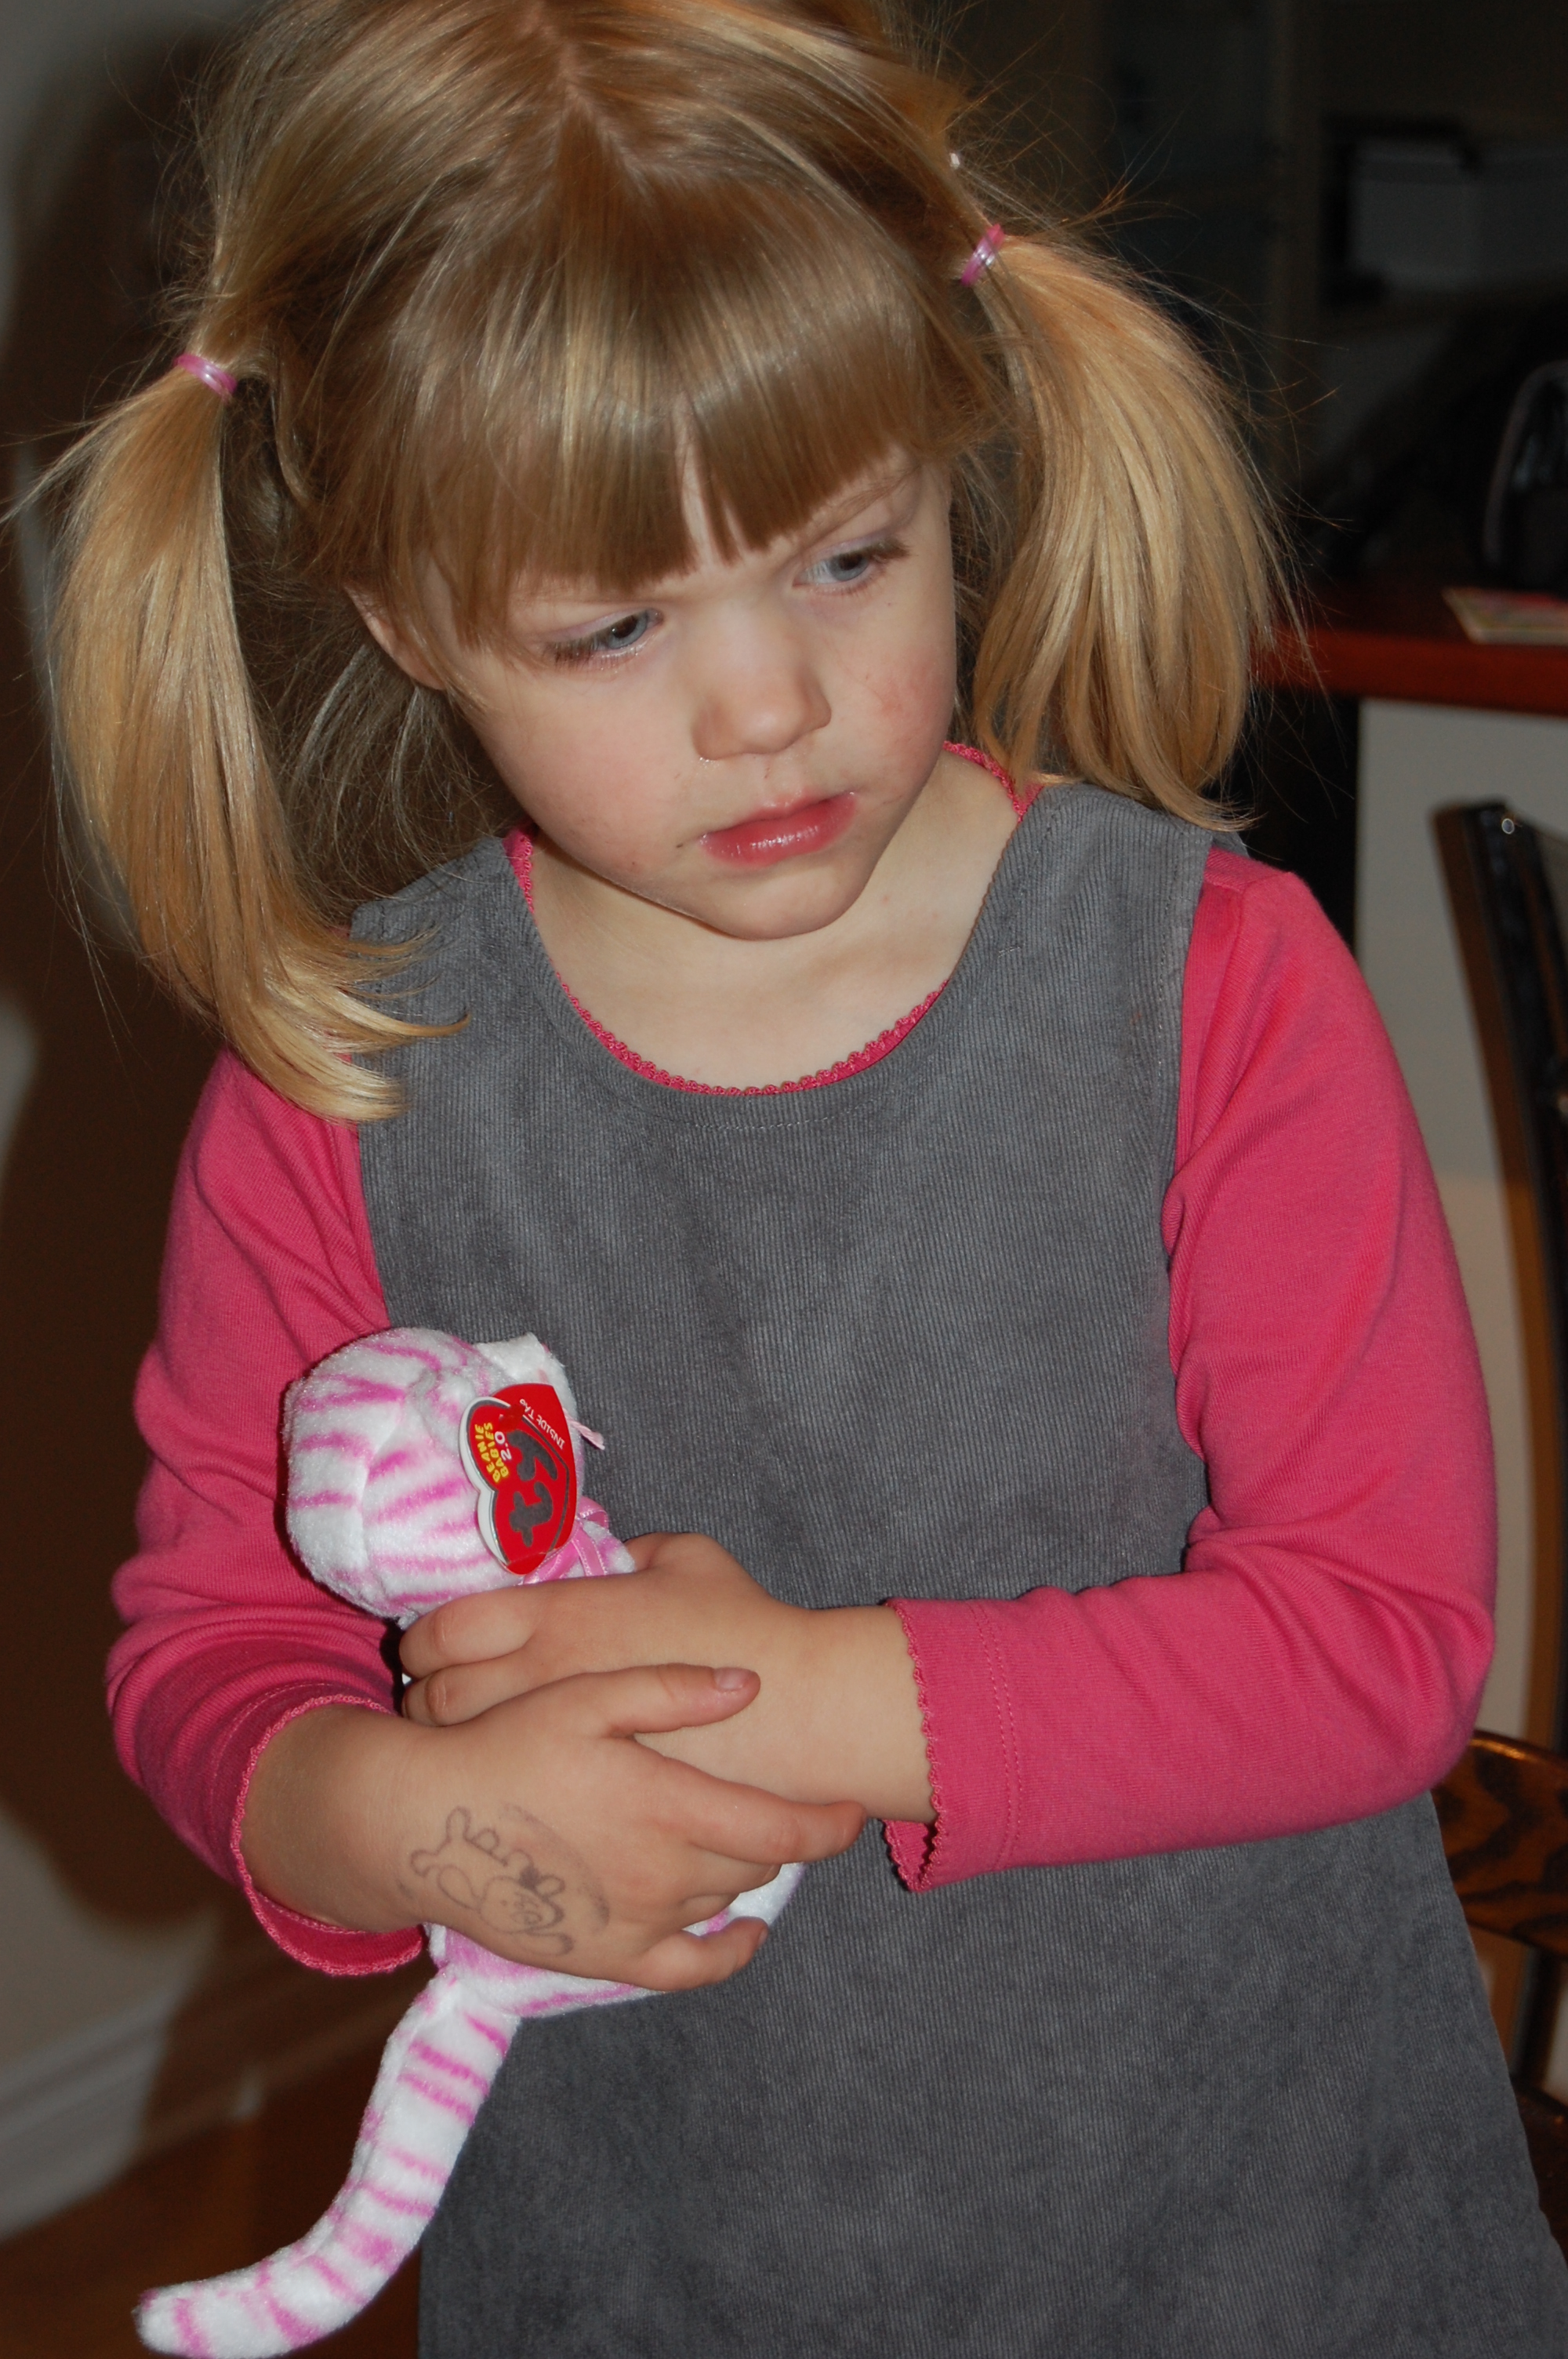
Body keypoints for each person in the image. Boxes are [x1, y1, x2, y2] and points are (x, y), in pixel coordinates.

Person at [45, 0, 1567, 2349]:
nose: (765, 706)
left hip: (1264, 2245)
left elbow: (1376, 1643)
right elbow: (215, 1657)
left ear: (956, 470)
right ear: (403, 612)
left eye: (851, 557)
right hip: (653, 2269)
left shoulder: (1217, 991)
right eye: (616, 622)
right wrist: (398, 1822)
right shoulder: (342, 1082)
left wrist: (791, 1699)